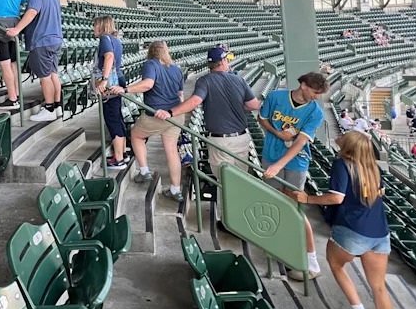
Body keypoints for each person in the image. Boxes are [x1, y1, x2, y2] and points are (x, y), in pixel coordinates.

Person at [284, 131, 393, 309]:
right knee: (379, 287)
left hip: (352, 229)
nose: (340, 135)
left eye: (345, 135)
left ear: (349, 146)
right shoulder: (375, 168)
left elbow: (336, 198)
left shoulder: (343, 165)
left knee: (336, 265)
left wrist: (308, 198)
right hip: (379, 233)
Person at [258, 72, 329, 281]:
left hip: (297, 161)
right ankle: (281, 247)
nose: (317, 97)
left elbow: (300, 143)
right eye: (316, 92)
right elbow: (262, 119)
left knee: (294, 206)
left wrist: (279, 164)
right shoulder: (276, 97)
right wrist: (277, 133)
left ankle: (311, 258)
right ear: (304, 85)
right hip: (271, 154)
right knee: (274, 202)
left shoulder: (316, 112)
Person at [155, 46, 259, 176]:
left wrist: (170, 112)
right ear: (222, 62)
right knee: (240, 181)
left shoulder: (205, 81)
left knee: (225, 183)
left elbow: (194, 101)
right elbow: (253, 105)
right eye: (227, 59)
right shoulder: (239, 79)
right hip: (241, 139)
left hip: (220, 141)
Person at [110, 41, 185, 201]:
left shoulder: (150, 64)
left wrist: (125, 90)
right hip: (175, 114)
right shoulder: (176, 69)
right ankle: (175, 189)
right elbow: (181, 96)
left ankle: (144, 171)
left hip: (157, 114)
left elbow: (148, 84)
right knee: (171, 151)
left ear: (151, 52)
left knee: (136, 135)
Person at [6, 0, 63, 122]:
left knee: (44, 77)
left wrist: (17, 29)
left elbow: (32, 12)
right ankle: (57, 106)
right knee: (53, 74)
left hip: (42, 41)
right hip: (55, 40)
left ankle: (49, 108)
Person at [93, 16, 128, 169]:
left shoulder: (105, 39)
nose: (93, 28)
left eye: (95, 25)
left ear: (101, 26)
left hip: (111, 84)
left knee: (112, 119)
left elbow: (109, 57)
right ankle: (122, 154)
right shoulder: (115, 40)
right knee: (117, 117)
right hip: (119, 79)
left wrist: (104, 80)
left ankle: (118, 158)